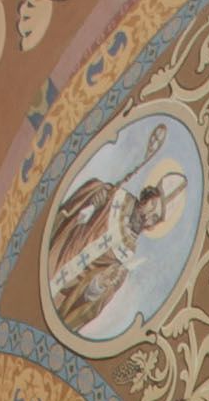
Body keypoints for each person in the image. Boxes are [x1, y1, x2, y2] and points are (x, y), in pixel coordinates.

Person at [45, 122, 188, 338]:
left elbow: (92, 300)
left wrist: (99, 285)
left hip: (63, 297)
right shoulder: (114, 197)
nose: (149, 216)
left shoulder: (127, 255)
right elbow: (75, 212)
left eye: (156, 217)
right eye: (152, 206)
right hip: (55, 258)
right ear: (148, 195)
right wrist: (91, 202)